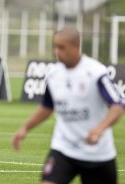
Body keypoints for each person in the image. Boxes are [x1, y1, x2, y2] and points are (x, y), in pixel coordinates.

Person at [12, 26, 124, 184]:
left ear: (76, 46)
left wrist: (100, 128)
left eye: (62, 47)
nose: (58, 52)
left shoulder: (96, 72)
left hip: (97, 153)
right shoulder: (54, 75)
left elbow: (118, 105)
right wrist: (25, 128)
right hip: (64, 148)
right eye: (55, 47)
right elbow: (47, 107)